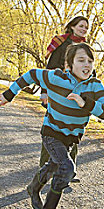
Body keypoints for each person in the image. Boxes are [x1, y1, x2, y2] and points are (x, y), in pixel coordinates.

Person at [0, 42, 104, 209]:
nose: (87, 65)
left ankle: (34, 188)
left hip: (71, 137)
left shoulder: (95, 86)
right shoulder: (56, 77)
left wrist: (85, 103)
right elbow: (31, 75)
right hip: (51, 131)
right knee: (67, 168)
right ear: (69, 65)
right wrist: (10, 94)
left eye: (90, 61)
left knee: (54, 165)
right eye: (81, 60)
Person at [39, 16, 89, 182]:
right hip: (58, 92)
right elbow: (50, 69)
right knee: (53, 130)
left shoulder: (84, 47)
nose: (84, 29)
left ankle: (69, 171)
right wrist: (44, 92)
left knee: (74, 130)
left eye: (86, 27)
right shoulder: (61, 44)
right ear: (73, 27)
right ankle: (45, 168)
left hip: (76, 94)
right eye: (81, 26)